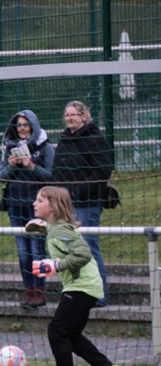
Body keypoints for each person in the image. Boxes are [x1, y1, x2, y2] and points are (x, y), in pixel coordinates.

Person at [26, 186, 124, 366]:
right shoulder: (57, 228)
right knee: (70, 334)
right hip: (85, 286)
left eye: (40, 200)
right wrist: (43, 229)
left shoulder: (61, 230)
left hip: (82, 287)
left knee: (56, 330)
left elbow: (84, 254)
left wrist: (56, 265)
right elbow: (64, 244)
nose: (34, 203)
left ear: (53, 206)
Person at [51, 101, 115, 307]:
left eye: (74, 114)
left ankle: (99, 295)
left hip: (87, 203)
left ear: (84, 116)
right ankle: (77, 293)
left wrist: (77, 191)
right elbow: (57, 170)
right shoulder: (64, 140)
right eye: (67, 115)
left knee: (89, 247)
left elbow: (103, 171)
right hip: (64, 205)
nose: (69, 118)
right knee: (68, 250)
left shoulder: (94, 138)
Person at [0, 110, 55, 309]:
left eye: (25, 124)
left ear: (33, 126)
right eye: (19, 125)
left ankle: (40, 291)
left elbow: (51, 176)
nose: (22, 128)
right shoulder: (9, 147)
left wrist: (31, 166)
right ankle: (29, 291)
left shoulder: (45, 147)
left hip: (36, 207)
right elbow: (0, 176)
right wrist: (11, 166)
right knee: (23, 252)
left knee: (36, 249)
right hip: (14, 205)